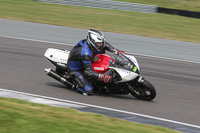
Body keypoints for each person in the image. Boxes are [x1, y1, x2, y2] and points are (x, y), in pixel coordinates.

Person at [67, 29, 124, 95]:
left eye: (101, 42)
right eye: (98, 43)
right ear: (92, 42)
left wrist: (115, 51)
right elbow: (88, 72)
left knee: (101, 50)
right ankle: (78, 85)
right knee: (89, 90)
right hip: (77, 69)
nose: (101, 44)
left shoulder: (93, 45)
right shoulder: (86, 54)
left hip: (88, 61)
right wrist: (103, 77)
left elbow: (105, 45)